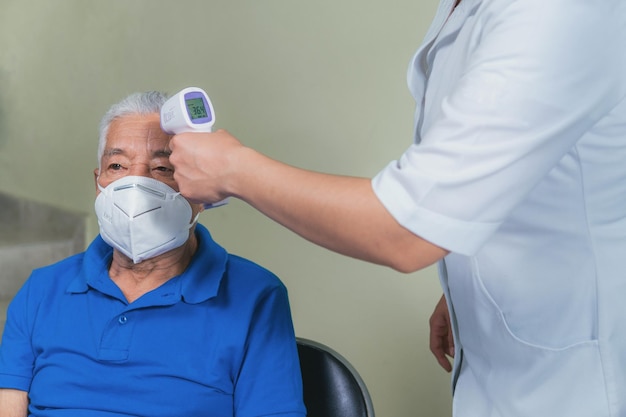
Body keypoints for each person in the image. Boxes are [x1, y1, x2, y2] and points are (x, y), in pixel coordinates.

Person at [166, 0, 626, 416]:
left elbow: (405, 231)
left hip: (577, 386)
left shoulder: (559, 12)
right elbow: (500, 174)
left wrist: (233, 170)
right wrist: (471, 284)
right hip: (507, 369)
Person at [0, 91, 306, 417]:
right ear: (98, 183)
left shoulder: (255, 296)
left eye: (162, 168)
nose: (136, 186)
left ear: (201, 191)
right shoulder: (42, 290)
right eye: (117, 165)